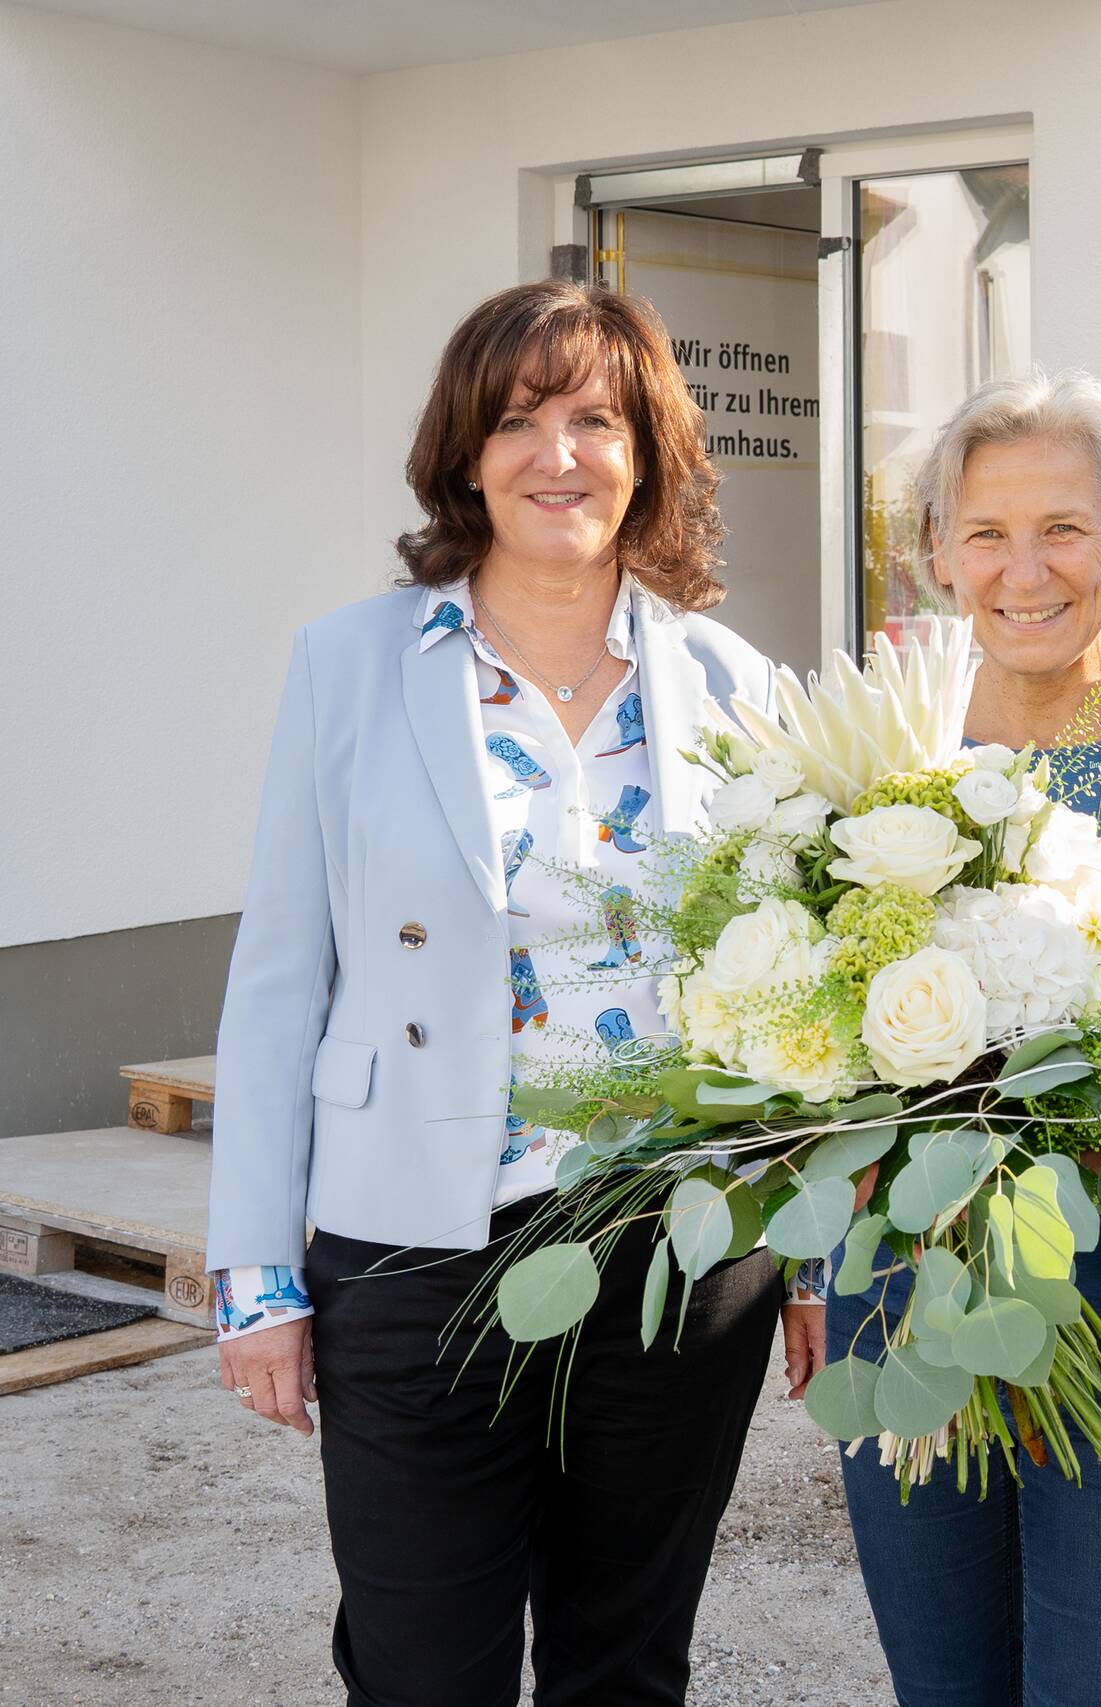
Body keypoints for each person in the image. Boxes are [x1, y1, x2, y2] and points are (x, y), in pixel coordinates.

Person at [206, 279, 813, 1705]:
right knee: (423, 1670)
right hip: (414, 1246)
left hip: (676, 1254)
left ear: (647, 450)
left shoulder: (733, 686)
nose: (561, 454)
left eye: (598, 417)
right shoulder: (352, 666)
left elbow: (799, 1001)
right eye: (523, 418)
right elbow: (281, 973)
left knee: (624, 1662)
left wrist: (823, 1251)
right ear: (466, 453)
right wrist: (254, 1279)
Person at [797, 368, 1101, 1707]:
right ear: (938, 557)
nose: (1025, 571)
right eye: (985, 533)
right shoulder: (870, 786)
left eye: (1063, 528)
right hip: (899, 1315)